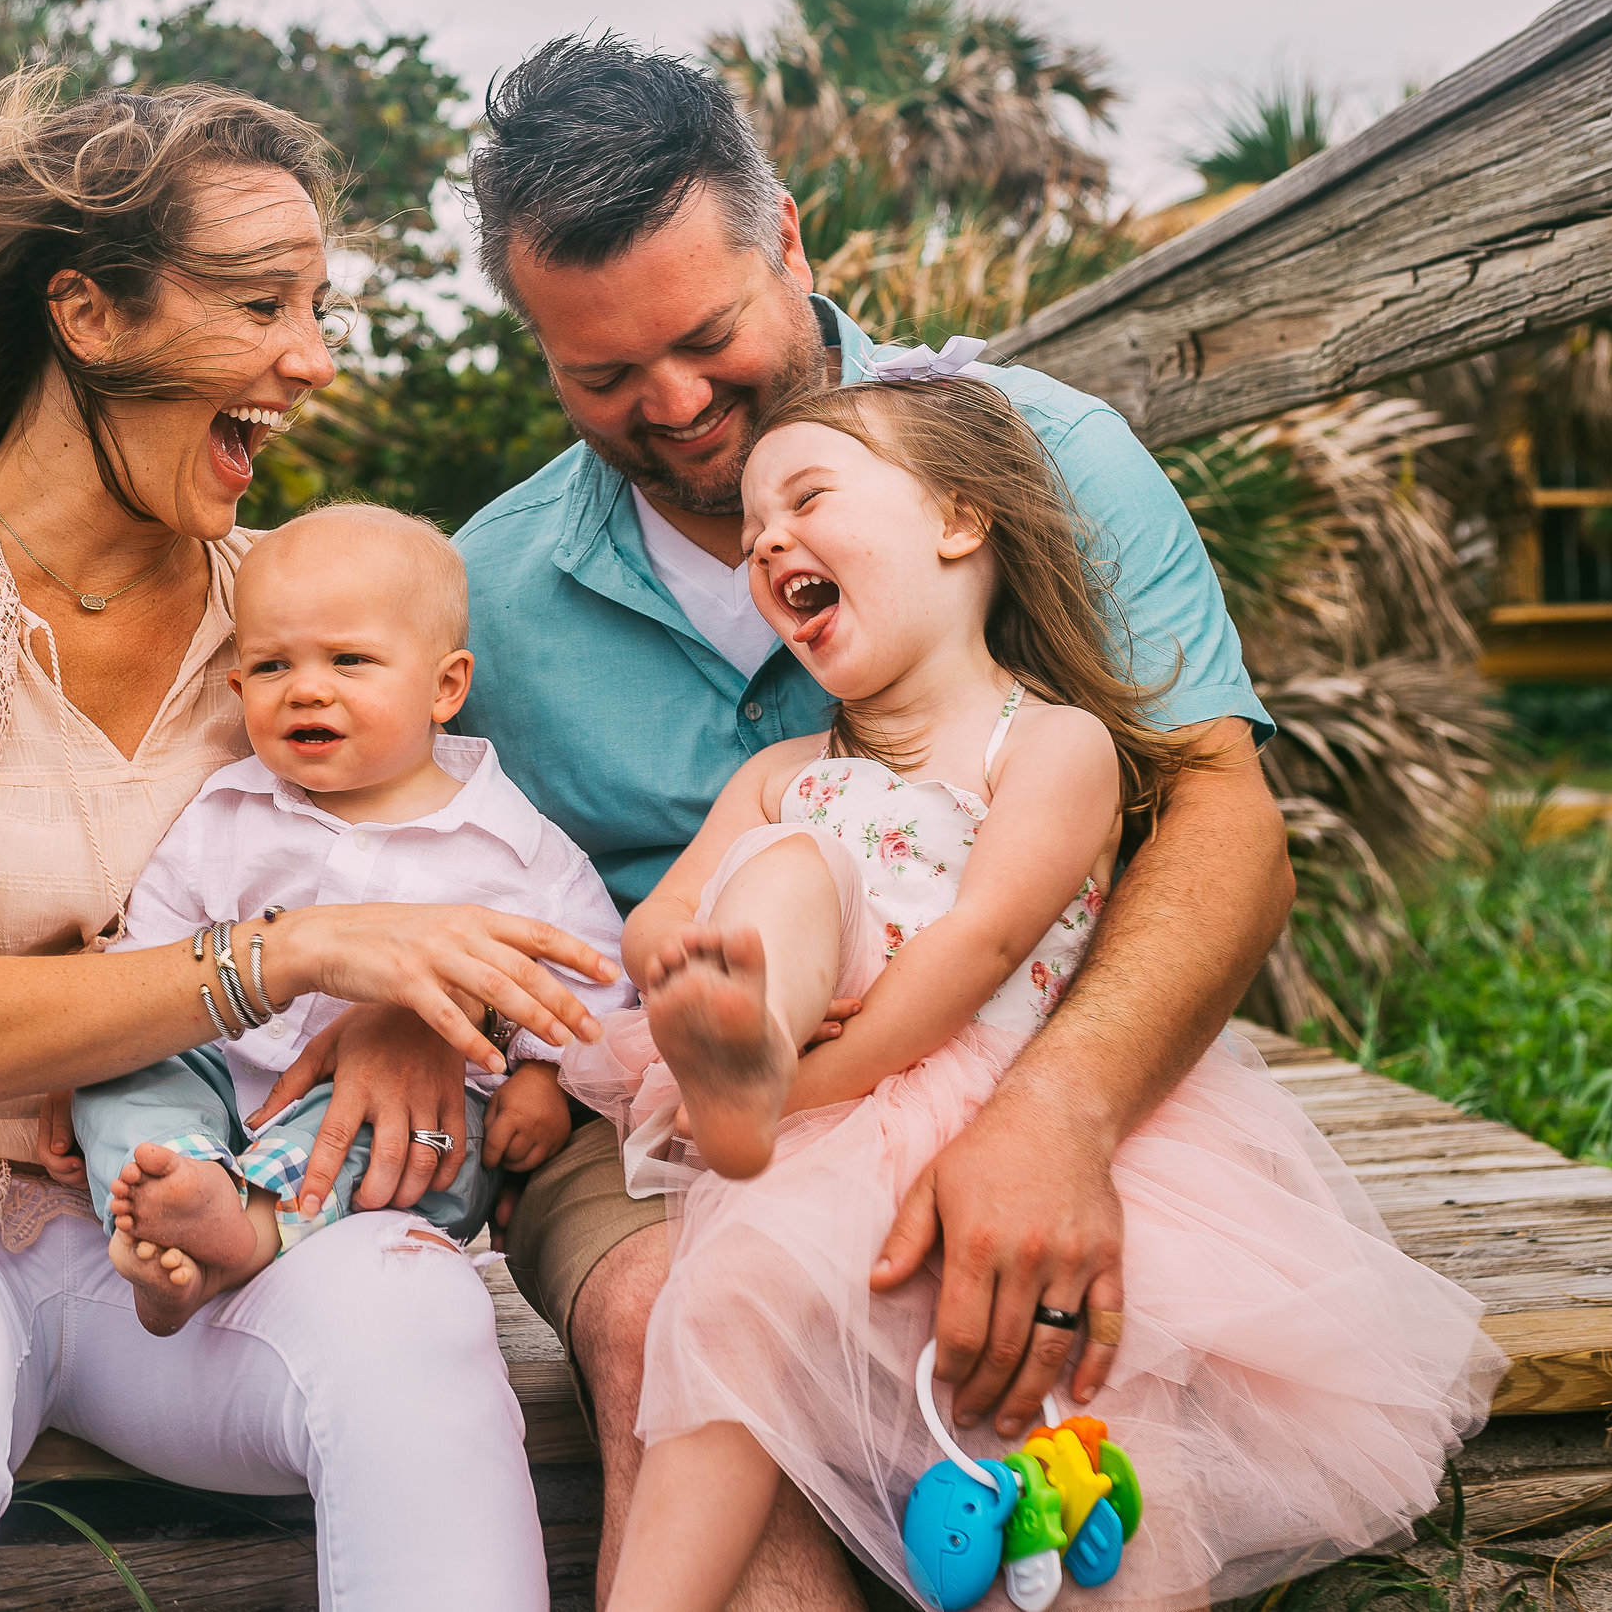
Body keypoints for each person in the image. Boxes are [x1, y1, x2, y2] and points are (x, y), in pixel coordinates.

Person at [0, 73, 611, 1612]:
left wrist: (402, 1004)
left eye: (317, 305)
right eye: (262, 303)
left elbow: (450, 861)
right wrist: (308, 955)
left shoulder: (290, 627)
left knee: (414, 1318)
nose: (311, 362)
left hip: (200, 1229)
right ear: (89, 313)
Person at [433, 34, 1303, 1607]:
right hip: (665, 1109)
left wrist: (1062, 1114)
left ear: (791, 242)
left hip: (1023, 1032)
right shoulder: (485, 591)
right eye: (604, 375)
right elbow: (399, 839)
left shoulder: (1041, 458)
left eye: (705, 336)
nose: (679, 404)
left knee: (1073, 1343)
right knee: (666, 1321)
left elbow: (1224, 815)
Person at [557, 374, 1499, 1610]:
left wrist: (805, 1086)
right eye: (752, 525)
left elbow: (982, 945)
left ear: (958, 521)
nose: (766, 538)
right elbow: (665, 922)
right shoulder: (789, 775)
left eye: (807, 498)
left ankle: (758, 1076)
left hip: (977, 1100)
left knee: (1078, 1432)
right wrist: (702, 999)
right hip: (793, 1129)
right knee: (725, 1309)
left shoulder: (1050, 744)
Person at [54, 502, 629, 1335]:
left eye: (350, 660)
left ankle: (243, 1232)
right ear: (239, 687)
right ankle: (174, 1196)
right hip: (221, 1083)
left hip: (409, 1113)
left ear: (445, 686)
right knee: (121, 1074)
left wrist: (540, 1077)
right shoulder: (223, 812)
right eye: (275, 665)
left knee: (415, 1139)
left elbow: (588, 986)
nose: (309, 687)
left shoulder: (516, 850)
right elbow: (149, 965)